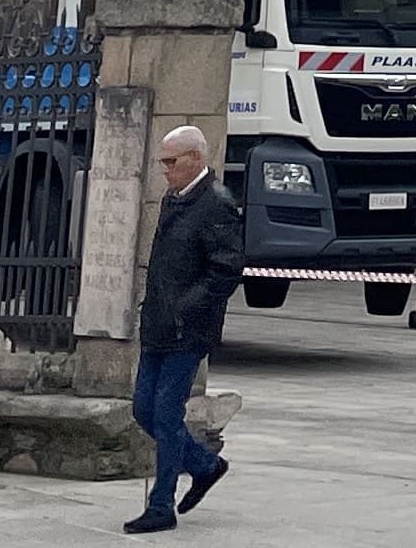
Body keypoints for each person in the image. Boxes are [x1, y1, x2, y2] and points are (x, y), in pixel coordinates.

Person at [128, 124, 239, 533]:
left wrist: (185, 308)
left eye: (171, 161)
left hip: (188, 330)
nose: (165, 169)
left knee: (165, 413)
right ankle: (205, 465)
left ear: (195, 158)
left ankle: (161, 505)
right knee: (143, 409)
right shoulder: (174, 200)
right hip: (158, 325)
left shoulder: (217, 203)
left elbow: (226, 271)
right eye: (163, 162)